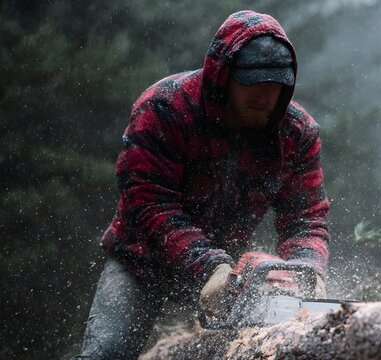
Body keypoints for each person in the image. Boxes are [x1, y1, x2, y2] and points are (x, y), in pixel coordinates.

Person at [76, 10, 330, 359]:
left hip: (227, 274)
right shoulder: (165, 107)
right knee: (107, 352)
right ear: (223, 75)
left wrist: (307, 267)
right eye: (251, 82)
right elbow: (148, 203)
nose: (264, 94)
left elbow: (306, 218)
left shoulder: (297, 132)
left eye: (275, 84)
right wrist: (210, 264)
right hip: (142, 263)